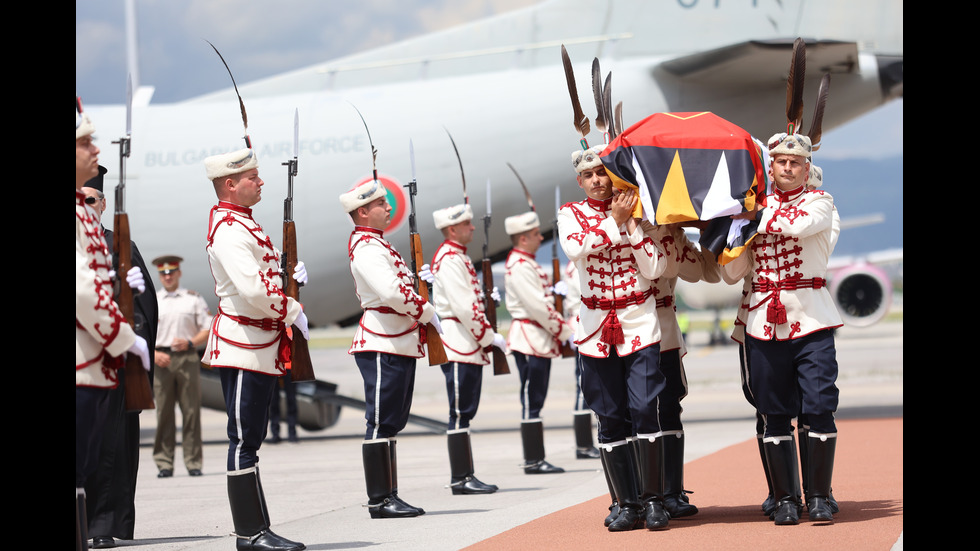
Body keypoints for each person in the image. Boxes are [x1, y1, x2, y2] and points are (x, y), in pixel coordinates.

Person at [722, 133, 843, 525]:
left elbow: (803, 225)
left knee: (820, 406)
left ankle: (820, 497)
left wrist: (751, 215)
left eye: (795, 163)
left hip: (811, 319)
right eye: (780, 161)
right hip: (763, 323)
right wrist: (731, 236)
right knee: (773, 412)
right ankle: (786, 499)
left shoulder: (819, 202)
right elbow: (731, 272)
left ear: (807, 170)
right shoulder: (750, 210)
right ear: (769, 167)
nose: (787, 167)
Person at [557, 145, 669, 531]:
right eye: (588, 176)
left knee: (644, 409)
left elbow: (655, 267)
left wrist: (632, 223)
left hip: (638, 322)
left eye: (602, 173)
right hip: (595, 327)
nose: (596, 181)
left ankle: (654, 501)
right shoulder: (569, 215)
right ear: (580, 181)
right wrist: (613, 223)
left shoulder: (640, 210)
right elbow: (576, 248)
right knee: (609, 416)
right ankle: (626, 503)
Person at [202, 147, 309, 551]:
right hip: (243, 344)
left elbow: (261, 278)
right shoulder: (230, 229)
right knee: (243, 438)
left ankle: (259, 528)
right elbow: (250, 289)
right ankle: (250, 532)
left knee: (252, 438)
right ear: (230, 185)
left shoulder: (244, 225)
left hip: (257, 342)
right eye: (252, 177)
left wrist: (288, 276)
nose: (260, 182)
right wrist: (292, 308)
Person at [341, 180, 442, 518]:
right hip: (382, 339)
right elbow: (391, 293)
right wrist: (426, 311)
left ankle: (389, 496)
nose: (388, 208)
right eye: (382, 204)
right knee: (381, 420)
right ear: (363, 212)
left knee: (391, 420)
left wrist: (417, 281)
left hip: (396, 339)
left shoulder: (378, 244)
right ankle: (380, 500)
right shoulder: (369, 247)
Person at [76, 101, 150, 551]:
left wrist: (135, 315)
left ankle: (112, 524)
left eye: (92, 200)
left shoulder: (119, 242)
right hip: (95, 352)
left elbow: (142, 307)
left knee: (115, 453)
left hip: (114, 361)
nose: (88, 205)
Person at [425, 203, 508, 494]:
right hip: (458, 342)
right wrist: (488, 337)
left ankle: (465, 475)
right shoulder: (450, 259)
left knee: (464, 411)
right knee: (460, 412)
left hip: (466, 343)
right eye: (467, 224)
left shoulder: (457, 256)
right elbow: (463, 306)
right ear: (452, 229)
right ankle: (461, 478)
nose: (472, 228)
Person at [643, 222, 721, 519]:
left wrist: (705, 232)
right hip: (630, 331)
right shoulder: (625, 226)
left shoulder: (672, 234)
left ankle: (672, 491)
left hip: (665, 333)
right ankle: (640, 494)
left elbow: (707, 273)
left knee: (669, 408)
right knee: (634, 411)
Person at [503, 211, 573, 475]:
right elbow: (538, 308)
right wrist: (565, 332)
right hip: (530, 338)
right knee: (532, 398)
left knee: (536, 398)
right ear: (523, 239)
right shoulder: (521, 265)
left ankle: (536, 458)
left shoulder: (526, 263)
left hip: (537, 338)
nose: (540, 238)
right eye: (535, 234)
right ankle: (533, 459)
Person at [151, 254, 211, 478]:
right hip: (161, 359)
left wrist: (190, 342)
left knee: (191, 411)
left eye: (171, 272)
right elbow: (143, 333)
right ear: (159, 275)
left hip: (186, 357)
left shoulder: (192, 299)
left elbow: (207, 328)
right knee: (163, 413)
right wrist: (154, 353)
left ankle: (193, 461)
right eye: (163, 273)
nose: (167, 276)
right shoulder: (153, 300)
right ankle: (164, 463)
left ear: (179, 273)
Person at [560, 262, 601, 460]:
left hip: (584, 324)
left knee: (587, 386)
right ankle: (583, 444)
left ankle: (586, 444)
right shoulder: (578, 264)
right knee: (583, 387)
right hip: (583, 325)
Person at [268, 370, 300, 443]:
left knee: (291, 401)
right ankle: (275, 434)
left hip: (289, 368)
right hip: (275, 367)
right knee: (274, 402)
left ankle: (292, 433)